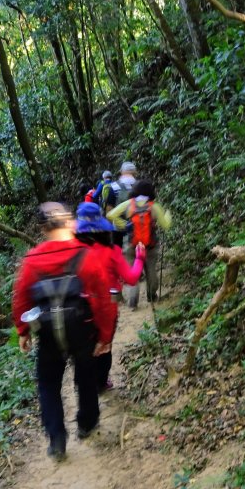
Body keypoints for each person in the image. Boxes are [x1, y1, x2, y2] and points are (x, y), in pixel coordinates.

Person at [12, 202, 116, 462]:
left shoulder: (32, 260)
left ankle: (57, 439)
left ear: (43, 229)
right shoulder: (85, 254)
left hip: (47, 332)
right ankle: (87, 424)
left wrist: (23, 330)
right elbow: (103, 299)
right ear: (70, 222)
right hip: (81, 328)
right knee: (85, 375)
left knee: (48, 383)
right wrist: (105, 336)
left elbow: (21, 298)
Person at [74, 202, 147, 392]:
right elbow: (131, 278)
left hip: (80, 309)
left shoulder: (72, 251)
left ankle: (85, 384)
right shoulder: (111, 251)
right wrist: (139, 258)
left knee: (84, 348)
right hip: (108, 307)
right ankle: (101, 382)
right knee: (105, 346)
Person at [107, 180, 170, 309]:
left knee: (132, 273)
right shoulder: (154, 206)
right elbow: (166, 225)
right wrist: (168, 215)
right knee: (151, 272)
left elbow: (110, 215)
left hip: (132, 245)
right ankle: (151, 296)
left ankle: (133, 301)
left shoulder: (129, 204)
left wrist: (124, 225)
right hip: (150, 246)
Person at [108, 162, 137, 246]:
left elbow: (110, 207)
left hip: (118, 225)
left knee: (118, 250)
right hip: (135, 224)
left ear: (121, 172)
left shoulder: (113, 186)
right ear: (135, 173)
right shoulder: (139, 186)